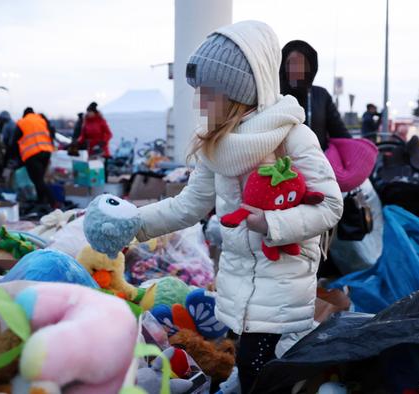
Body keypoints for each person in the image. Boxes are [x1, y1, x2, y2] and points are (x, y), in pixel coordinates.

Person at [134, 21, 342, 393]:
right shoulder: (217, 144)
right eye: (198, 92)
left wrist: (273, 223)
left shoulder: (292, 135)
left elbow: (329, 205)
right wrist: (132, 224)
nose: (199, 103)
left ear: (240, 92)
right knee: (243, 371)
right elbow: (187, 206)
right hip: (236, 292)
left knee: (258, 374)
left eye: (209, 93)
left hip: (281, 290)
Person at [279, 40, 350, 150]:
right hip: (281, 165)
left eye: (301, 64)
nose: (296, 69)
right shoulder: (274, 95)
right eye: (292, 64)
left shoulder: (321, 95)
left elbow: (340, 133)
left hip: (317, 164)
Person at [10, 107, 56, 206]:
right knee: (40, 179)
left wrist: (16, 159)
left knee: (37, 180)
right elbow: (51, 134)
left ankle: (53, 202)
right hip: (46, 152)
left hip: (32, 154)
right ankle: (41, 201)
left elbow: (14, 142)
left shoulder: (22, 122)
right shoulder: (41, 120)